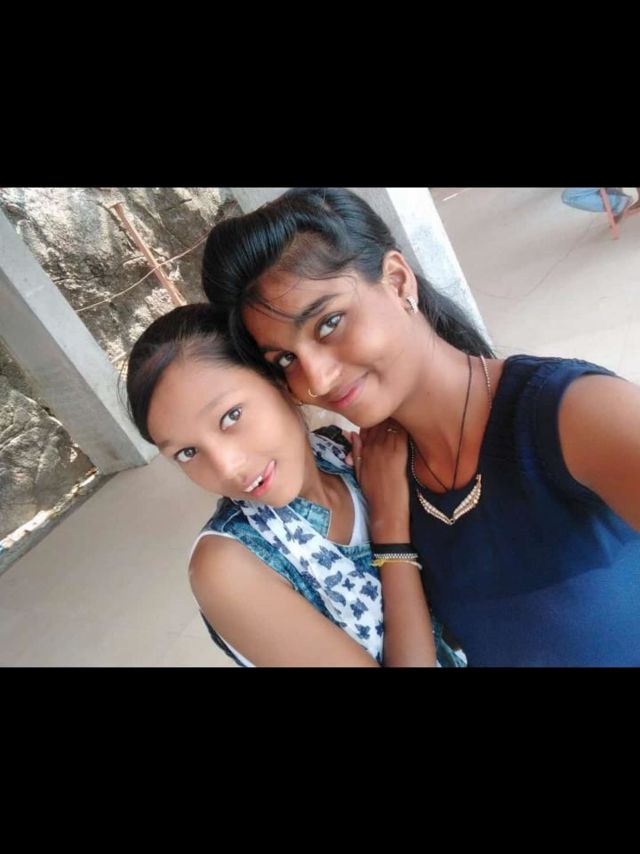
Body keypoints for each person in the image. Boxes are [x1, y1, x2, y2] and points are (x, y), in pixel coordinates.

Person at [200, 187, 640, 666]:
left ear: (397, 281)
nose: (316, 379)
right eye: (286, 359)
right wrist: (389, 527)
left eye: (329, 323)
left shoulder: (575, 413)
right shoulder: (375, 472)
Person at [126, 303, 465, 667]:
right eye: (187, 452)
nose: (227, 467)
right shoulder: (230, 567)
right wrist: (390, 525)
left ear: (278, 381)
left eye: (231, 416)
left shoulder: (342, 450)